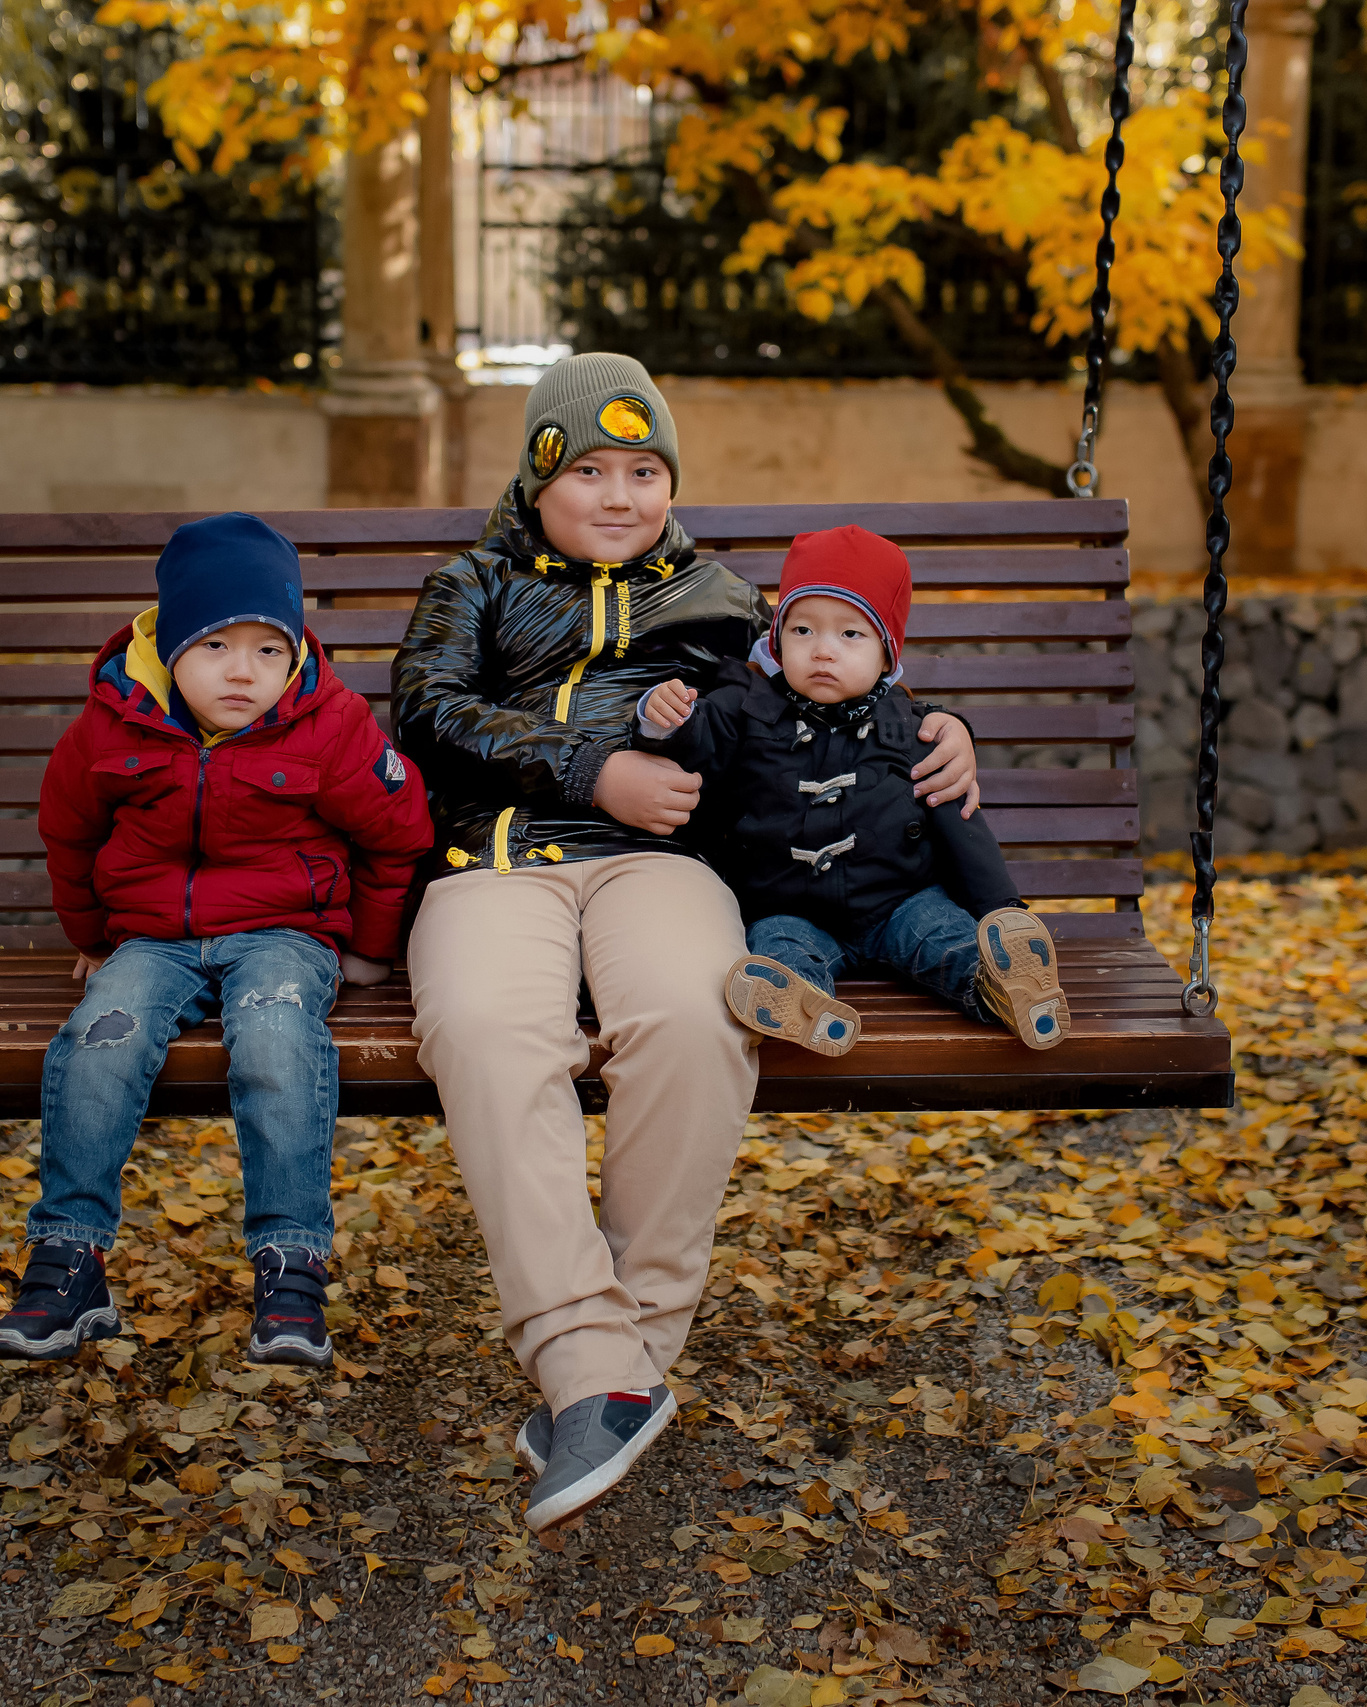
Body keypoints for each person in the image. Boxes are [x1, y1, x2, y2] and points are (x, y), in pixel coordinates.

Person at [392, 356, 980, 1530]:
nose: (619, 496)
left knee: (697, 1016)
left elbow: (830, 697)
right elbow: (426, 708)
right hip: (496, 860)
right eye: (589, 472)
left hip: (662, 865)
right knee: (486, 1030)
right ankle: (601, 1371)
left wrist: (939, 726)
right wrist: (588, 767)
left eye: (644, 471)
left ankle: (607, 1373)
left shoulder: (719, 599)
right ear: (539, 476)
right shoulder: (474, 584)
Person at [0, 512, 434, 1368]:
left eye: (269, 649)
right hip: (154, 939)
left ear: (294, 653)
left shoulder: (329, 723)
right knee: (101, 1037)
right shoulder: (116, 721)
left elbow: (399, 828)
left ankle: (291, 1264)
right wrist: (90, 936)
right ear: (169, 645)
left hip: (285, 934)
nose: (242, 670)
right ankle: (70, 1256)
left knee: (275, 1036)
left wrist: (372, 949)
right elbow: (69, 830)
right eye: (215, 645)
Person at [635, 523, 1070, 1054]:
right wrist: (663, 719)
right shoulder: (743, 707)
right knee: (777, 948)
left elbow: (958, 821)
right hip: (788, 907)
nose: (823, 651)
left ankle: (1009, 988)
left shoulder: (911, 728)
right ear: (777, 639)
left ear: (887, 656)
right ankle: (805, 1009)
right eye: (803, 630)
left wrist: (1002, 909)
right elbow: (692, 745)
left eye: (850, 635)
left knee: (948, 939)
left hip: (901, 902)